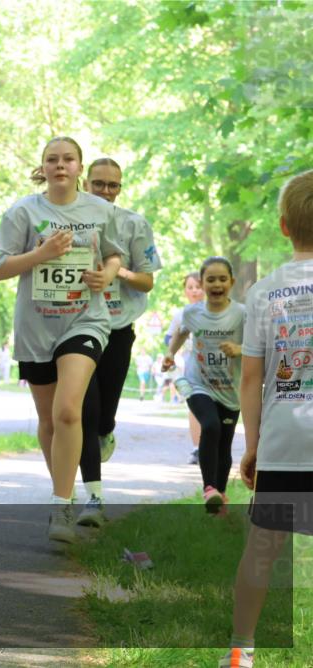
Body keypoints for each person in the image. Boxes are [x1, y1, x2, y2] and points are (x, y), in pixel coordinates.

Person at [0, 135, 121, 544]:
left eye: (68, 159)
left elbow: (117, 254)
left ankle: (62, 505)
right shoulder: (23, 212)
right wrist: (40, 255)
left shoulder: (100, 210)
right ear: (43, 167)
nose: (60, 165)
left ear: (80, 167)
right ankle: (60, 495)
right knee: (48, 420)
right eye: (52, 159)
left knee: (69, 410)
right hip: (36, 327)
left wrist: (108, 274)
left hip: (85, 320)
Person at [221, 170, 313, 668]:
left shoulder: (264, 293)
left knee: (262, 549)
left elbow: (251, 379)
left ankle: (241, 650)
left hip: (285, 440)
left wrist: (252, 445)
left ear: (283, 226)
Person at [75, 158, 162, 528]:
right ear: (85, 183)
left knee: (104, 415)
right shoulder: (70, 218)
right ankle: (93, 499)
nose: (106, 191)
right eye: (98, 184)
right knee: (85, 412)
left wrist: (118, 269)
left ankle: (107, 431)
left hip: (118, 328)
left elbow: (147, 282)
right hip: (77, 327)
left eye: (113, 185)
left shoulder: (134, 224)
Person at [164, 257, 245, 513]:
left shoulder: (241, 314)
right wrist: (170, 353)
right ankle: (209, 488)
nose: (217, 284)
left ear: (231, 282)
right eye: (211, 279)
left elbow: (258, 344)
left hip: (230, 390)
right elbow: (182, 331)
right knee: (210, 426)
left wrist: (239, 349)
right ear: (203, 283)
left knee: (224, 444)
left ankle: (218, 498)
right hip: (197, 383)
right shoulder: (192, 312)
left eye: (222, 279)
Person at [167, 272, 205, 462]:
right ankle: (197, 448)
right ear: (185, 291)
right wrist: (170, 356)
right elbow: (170, 338)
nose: (195, 291)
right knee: (194, 406)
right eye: (190, 287)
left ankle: (215, 446)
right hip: (190, 366)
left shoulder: (215, 311)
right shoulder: (180, 314)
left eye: (198, 287)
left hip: (213, 366)